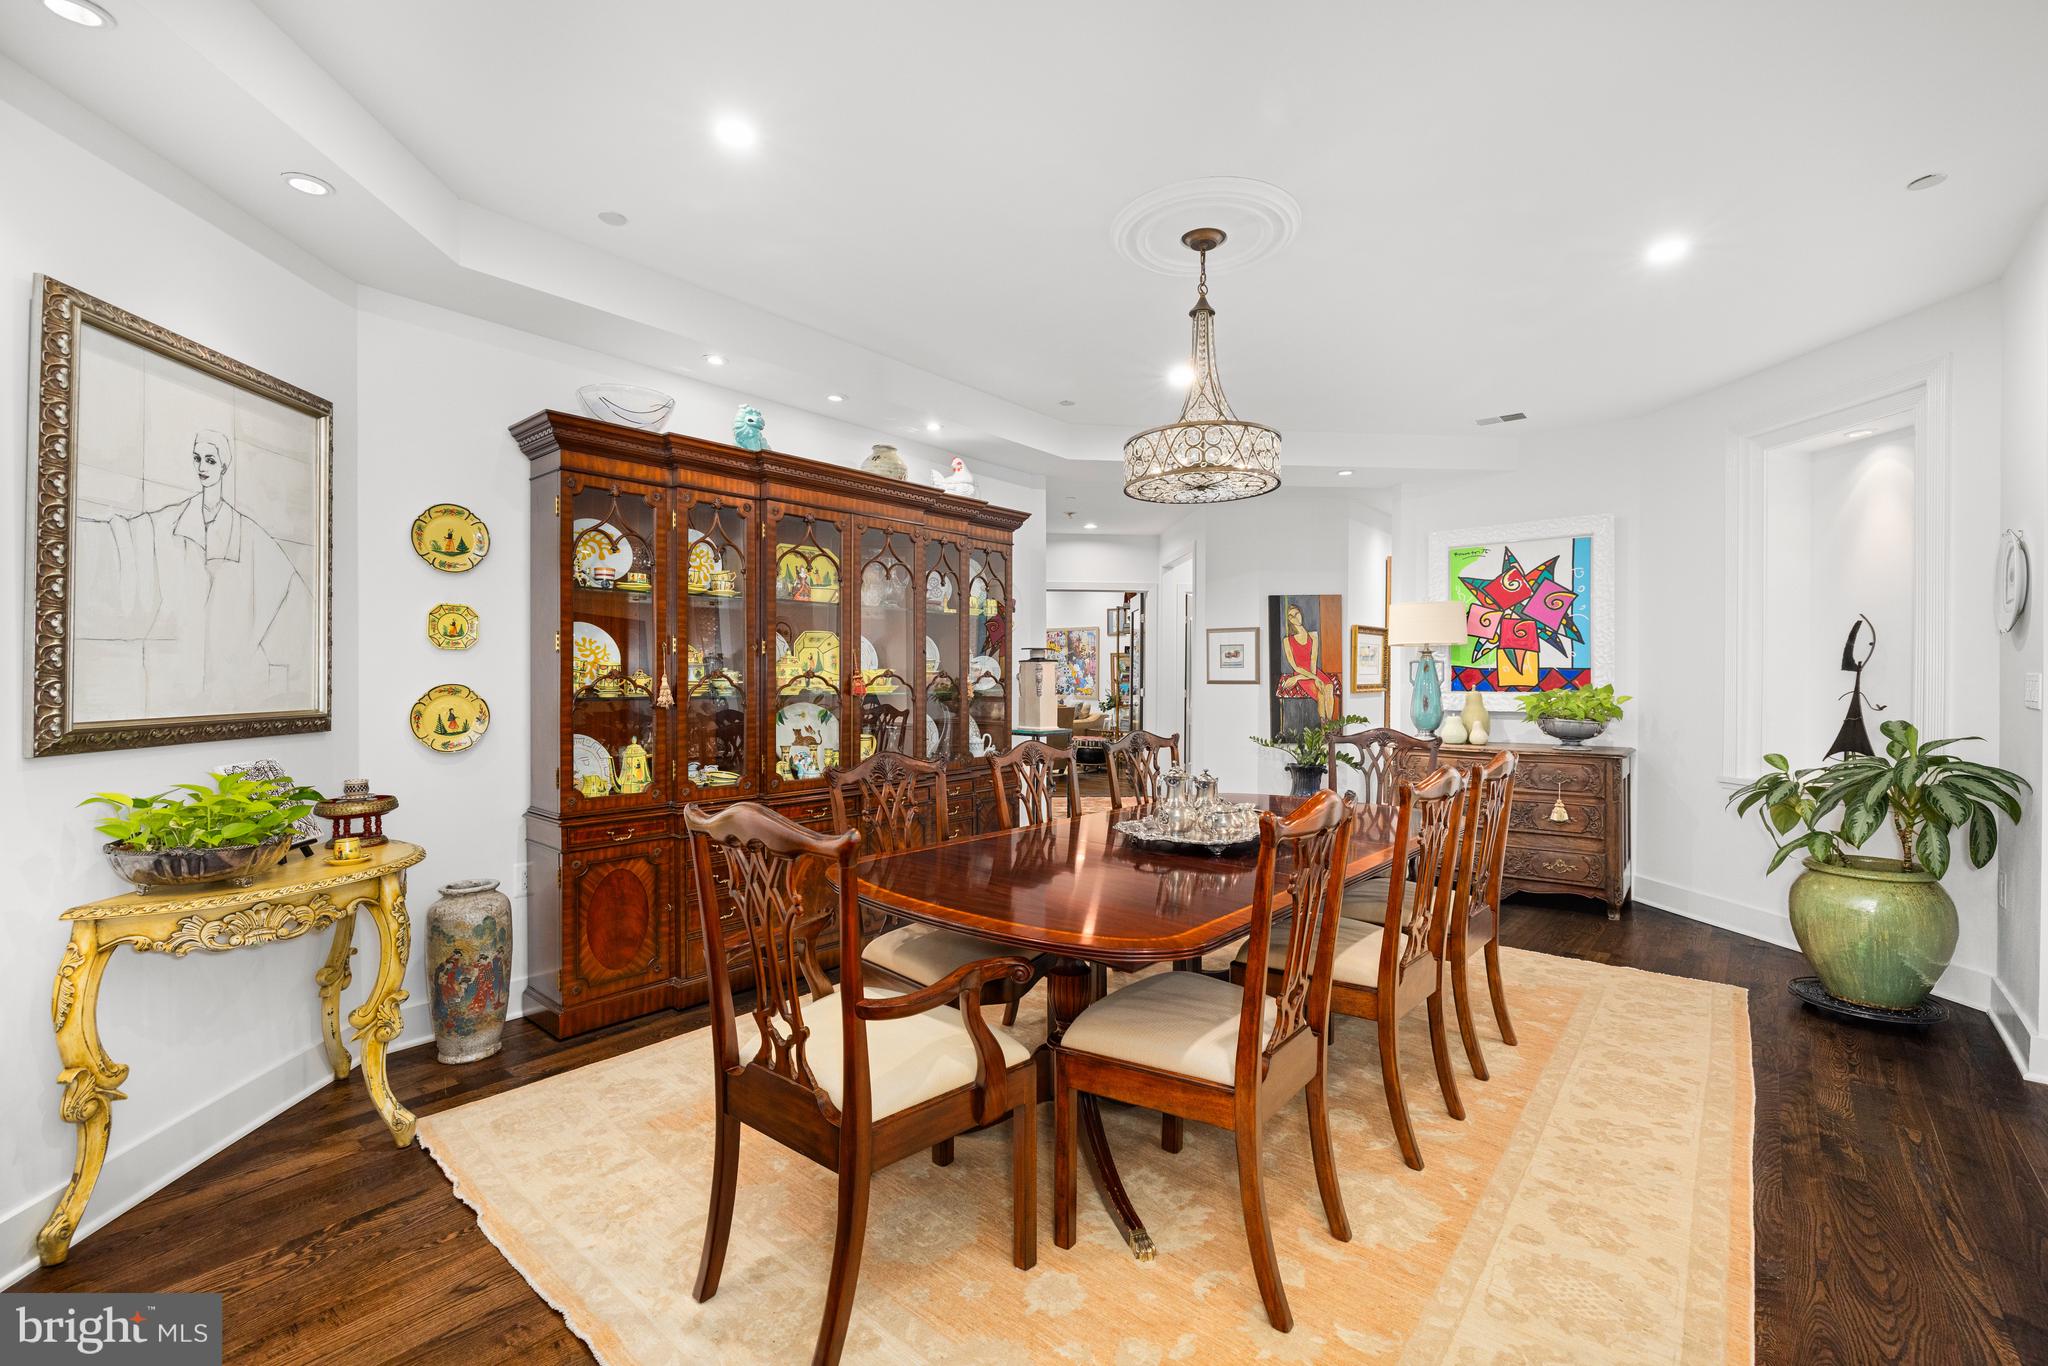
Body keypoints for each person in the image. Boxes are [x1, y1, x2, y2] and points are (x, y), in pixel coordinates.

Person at [75, 428, 313, 718]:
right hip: (175, 698)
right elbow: (123, 540)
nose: (202, 467)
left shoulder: (251, 538)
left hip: (236, 700)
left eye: (211, 460)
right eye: (197, 459)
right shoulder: (169, 523)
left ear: (224, 466)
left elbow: (296, 618)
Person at [1275, 601, 1339, 723]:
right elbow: (1295, 666)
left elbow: (1313, 661)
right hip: (1301, 672)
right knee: (1321, 693)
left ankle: (1329, 727)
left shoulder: (1313, 635)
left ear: (1301, 614)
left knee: (1329, 687)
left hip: (1313, 671)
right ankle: (1323, 729)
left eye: (1296, 613)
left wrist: (1316, 677)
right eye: (1291, 616)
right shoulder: (1287, 640)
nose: (1295, 617)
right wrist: (1301, 677)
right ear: (1289, 621)